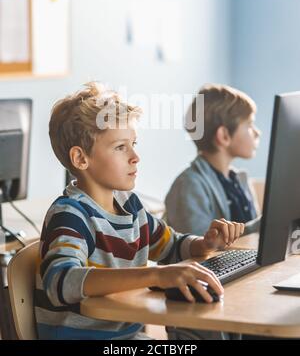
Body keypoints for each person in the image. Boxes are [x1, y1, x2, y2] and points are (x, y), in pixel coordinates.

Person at [34, 82, 244, 340]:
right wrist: (155, 274)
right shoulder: (70, 215)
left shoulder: (130, 207)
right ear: (80, 159)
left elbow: (170, 245)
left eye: (134, 143)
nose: (135, 156)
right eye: (121, 147)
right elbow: (62, 282)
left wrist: (204, 244)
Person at [165, 84, 261, 236]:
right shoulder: (188, 186)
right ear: (224, 136)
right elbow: (201, 247)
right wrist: (264, 224)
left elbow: (254, 241)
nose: (257, 132)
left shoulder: (240, 180)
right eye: (249, 125)